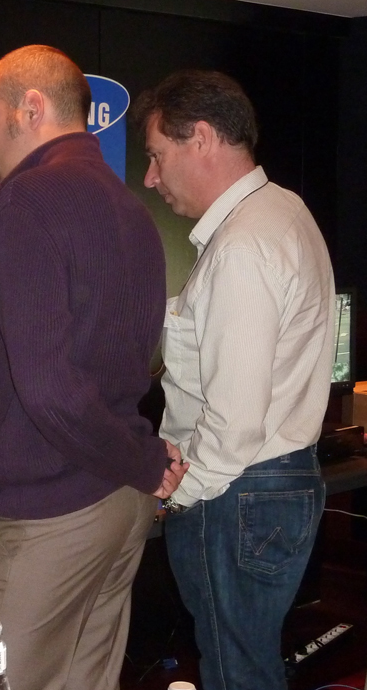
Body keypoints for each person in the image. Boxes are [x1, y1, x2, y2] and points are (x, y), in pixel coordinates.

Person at [0, 45, 186, 690]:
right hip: (116, 504)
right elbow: (95, 369)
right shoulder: (129, 208)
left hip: (55, 518)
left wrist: (143, 462)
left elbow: (51, 390)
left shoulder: (28, 200)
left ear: (32, 108)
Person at [134, 70, 335, 690]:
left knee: (236, 672)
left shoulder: (243, 245)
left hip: (235, 492)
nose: (150, 178)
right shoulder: (282, 211)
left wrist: (175, 497)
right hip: (269, 484)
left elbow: (233, 421)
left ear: (200, 138)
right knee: (246, 665)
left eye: (156, 156)